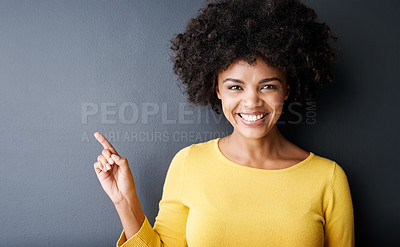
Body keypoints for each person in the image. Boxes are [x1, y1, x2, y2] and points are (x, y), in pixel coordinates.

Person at [93, 0, 355, 246]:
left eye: (267, 86)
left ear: (286, 89)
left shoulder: (328, 179)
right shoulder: (188, 163)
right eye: (235, 87)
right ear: (217, 89)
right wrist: (124, 201)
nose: (252, 102)